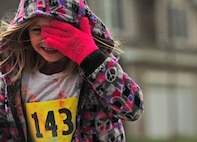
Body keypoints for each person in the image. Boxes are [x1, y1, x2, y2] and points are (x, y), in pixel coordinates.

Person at [0, 0, 144, 141]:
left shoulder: (97, 70)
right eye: (37, 30)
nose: (48, 40)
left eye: (58, 30)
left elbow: (133, 109)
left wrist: (91, 58)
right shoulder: (11, 77)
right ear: (26, 32)